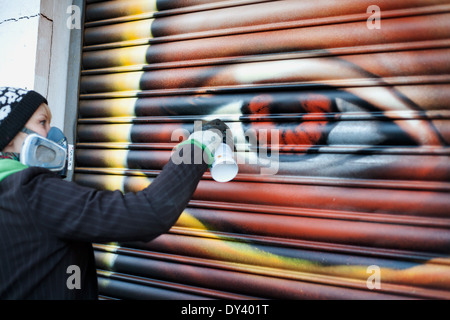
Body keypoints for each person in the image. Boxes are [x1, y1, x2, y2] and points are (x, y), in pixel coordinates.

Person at [0, 86, 231, 299]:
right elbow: (149, 213)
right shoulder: (30, 191)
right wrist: (197, 148)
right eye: (43, 122)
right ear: (9, 137)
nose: (52, 134)